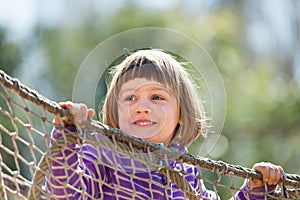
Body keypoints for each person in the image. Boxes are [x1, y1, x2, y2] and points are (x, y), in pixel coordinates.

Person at [46, 49, 284, 199]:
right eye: (130, 98)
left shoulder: (186, 168)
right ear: (115, 113)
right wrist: (67, 138)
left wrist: (255, 191)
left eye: (157, 97)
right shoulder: (102, 153)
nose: (141, 107)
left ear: (181, 113)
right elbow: (65, 194)